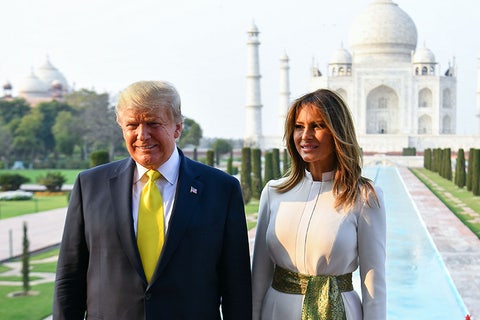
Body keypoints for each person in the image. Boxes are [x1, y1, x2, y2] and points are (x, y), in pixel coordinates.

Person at [53, 80, 252, 319]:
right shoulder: (90, 186)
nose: (142, 135)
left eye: (153, 123)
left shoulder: (221, 189)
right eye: (132, 125)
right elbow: (69, 278)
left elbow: (237, 286)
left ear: (178, 127)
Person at [251, 89, 386, 320]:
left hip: (339, 310)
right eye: (299, 126)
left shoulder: (363, 197)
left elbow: (374, 282)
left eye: (317, 126)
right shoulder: (275, 192)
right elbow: (260, 275)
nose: (305, 135)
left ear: (337, 132)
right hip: (277, 311)